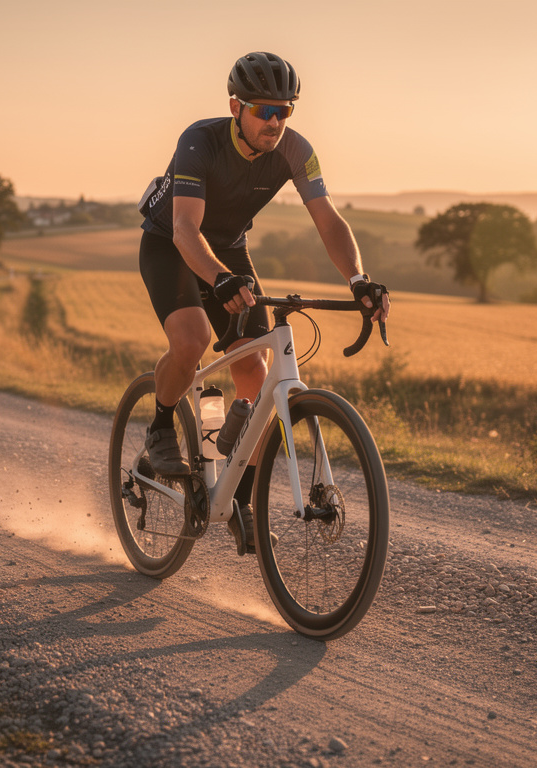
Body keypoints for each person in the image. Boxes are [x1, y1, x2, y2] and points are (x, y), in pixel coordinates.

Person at [136, 51, 390, 554]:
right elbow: (186, 228)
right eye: (263, 111)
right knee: (193, 339)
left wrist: (359, 280)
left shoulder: (297, 151)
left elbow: (327, 219)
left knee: (254, 365)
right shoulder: (198, 141)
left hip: (230, 249)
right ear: (236, 107)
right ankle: (162, 426)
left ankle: (239, 500)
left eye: (284, 111)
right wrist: (220, 279)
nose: (274, 122)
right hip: (171, 243)